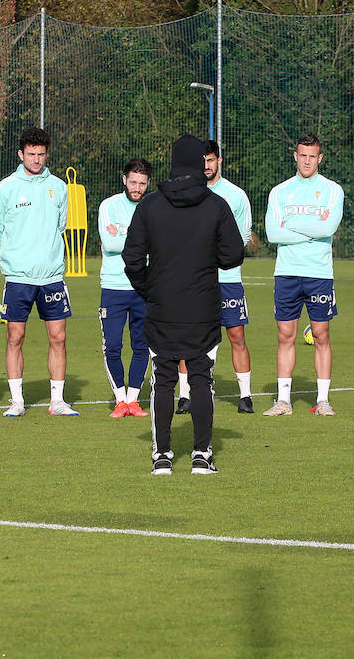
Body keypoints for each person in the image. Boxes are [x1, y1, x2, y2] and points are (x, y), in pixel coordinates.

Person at [124, 134, 245, 475]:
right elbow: (234, 253)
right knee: (201, 379)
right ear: (199, 166)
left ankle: (161, 456)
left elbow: (132, 258)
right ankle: (201, 456)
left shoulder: (150, 205)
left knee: (163, 379)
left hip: (162, 305)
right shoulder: (216, 205)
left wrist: (149, 289)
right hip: (202, 306)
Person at [0, 128, 77, 418]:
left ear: (46, 154)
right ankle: (16, 401)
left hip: (52, 276)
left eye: (41, 154)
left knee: (59, 338)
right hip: (18, 278)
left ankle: (58, 401)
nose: (37, 159)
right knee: (15, 336)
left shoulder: (59, 186)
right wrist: (16, 253)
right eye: (31, 154)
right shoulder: (5, 188)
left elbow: (60, 225)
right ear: (20, 154)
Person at [263, 134, 345, 417]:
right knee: (285, 335)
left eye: (312, 156)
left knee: (321, 334)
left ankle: (323, 400)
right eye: (302, 155)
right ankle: (283, 401)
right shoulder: (280, 192)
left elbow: (328, 228)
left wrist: (292, 225)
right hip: (286, 272)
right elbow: (273, 233)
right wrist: (310, 229)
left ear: (320, 158)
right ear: (295, 156)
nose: (307, 160)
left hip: (319, 273)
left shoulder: (333, 190)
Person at [183, 140, 254, 414]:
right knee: (189, 337)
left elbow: (244, 237)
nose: (207, 166)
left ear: (219, 161)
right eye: (203, 161)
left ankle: (245, 396)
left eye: (211, 160)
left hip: (228, 279)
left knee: (236, 335)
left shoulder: (235, 195)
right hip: (197, 280)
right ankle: (186, 394)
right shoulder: (189, 193)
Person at [98, 159, 153, 417]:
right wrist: (143, 240)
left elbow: (160, 245)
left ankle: (133, 400)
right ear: (124, 180)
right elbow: (109, 243)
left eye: (142, 183)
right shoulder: (108, 206)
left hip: (145, 286)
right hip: (114, 286)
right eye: (133, 182)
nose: (137, 187)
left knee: (142, 345)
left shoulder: (155, 208)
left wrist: (125, 235)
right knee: (113, 346)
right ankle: (120, 399)